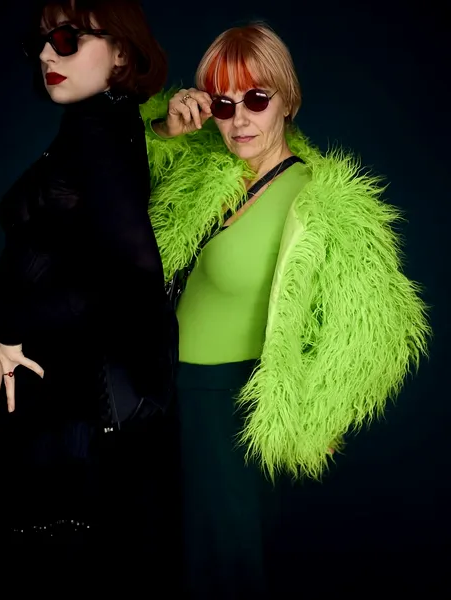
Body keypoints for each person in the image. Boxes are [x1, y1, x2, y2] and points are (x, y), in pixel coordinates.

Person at [138, 22, 431, 598]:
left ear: (287, 100)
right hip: (162, 392)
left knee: (223, 568)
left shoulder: (321, 201)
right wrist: (165, 132)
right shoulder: (200, 168)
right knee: (164, 559)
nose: (239, 120)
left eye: (256, 99)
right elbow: (109, 193)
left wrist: (317, 411)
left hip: (232, 404)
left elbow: (381, 326)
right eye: (224, 104)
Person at [0, 0, 176, 561]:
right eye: (40, 42)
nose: (46, 54)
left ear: (120, 52)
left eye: (66, 40)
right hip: (61, 391)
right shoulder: (103, 121)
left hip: (70, 400)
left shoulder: (97, 128)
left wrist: (13, 324)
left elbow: (135, 276)